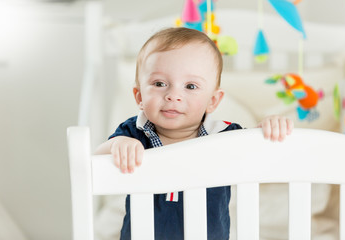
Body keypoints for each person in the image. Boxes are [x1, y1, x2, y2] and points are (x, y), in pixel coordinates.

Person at [95, 27, 294, 240]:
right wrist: (117, 145)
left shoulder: (223, 135)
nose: (173, 95)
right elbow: (96, 160)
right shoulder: (134, 131)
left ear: (213, 101)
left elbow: (255, 150)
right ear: (139, 95)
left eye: (190, 86)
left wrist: (268, 128)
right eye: (159, 83)